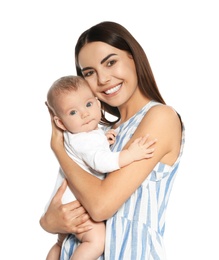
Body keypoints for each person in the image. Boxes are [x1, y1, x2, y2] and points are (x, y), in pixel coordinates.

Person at [40, 21, 185, 260]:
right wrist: (48, 222)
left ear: (133, 57)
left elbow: (100, 206)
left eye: (110, 62)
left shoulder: (160, 117)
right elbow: (67, 202)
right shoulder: (98, 132)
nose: (103, 78)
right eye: (89, 73)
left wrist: (58, 148)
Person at [44, 75, 157, 260]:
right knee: (96, 241)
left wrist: (103, 139)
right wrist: (131, 154)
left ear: (97, 104)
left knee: (60, 243)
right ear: (60, 123)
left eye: (88, 105)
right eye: (73, 112)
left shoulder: (84, 135)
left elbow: (86, 153)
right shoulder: (84, 139)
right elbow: (101, 162)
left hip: (66, 203)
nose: (84, 113)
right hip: (78, 206)